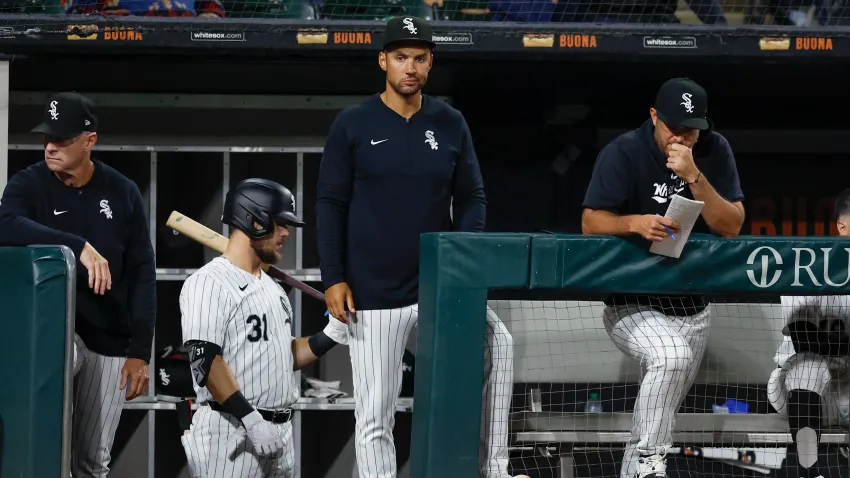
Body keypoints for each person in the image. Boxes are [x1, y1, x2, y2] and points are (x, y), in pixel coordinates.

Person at [316, 16, 518, 478]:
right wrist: (334, 278)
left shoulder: (450, 123)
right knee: (374, 417)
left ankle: (495, 468)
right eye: (402, 57)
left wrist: (464, 266)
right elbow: (330, 204)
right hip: (372, 293)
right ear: (383, 60)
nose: (411, 67)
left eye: (420, 58)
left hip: (437, 287)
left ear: (431, 62)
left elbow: (472, 197)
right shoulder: (353, 123)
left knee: (499, 345)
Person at [581, 77, 746, 478]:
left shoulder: (713, 150)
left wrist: (694, 177)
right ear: (654, 116)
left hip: (692, 308)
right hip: (631, 303)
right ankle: (651, 462)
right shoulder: (624, 152)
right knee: (670, 357)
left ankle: (641, 466)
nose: (682, 138)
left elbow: (732, 226)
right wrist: (633, 222)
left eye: (690, 129)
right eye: (674, 127)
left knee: (657, 413)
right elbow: (589, 221)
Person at [0, 91, 156, 477]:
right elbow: (4, 224)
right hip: (54, 333)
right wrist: (77, 246)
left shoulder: (122, 191)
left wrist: (140, 351)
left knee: (93, 462)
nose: (50, 146)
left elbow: (141, 272)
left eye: (62, 139)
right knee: (43, 453)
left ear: (90, 141)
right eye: (46, 138)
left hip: (108, 337)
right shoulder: (29, 183)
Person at [179, 178, 348, 478]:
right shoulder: (208, 283)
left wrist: (330, 334)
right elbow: (205, 361)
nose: (285, 233)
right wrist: (251, 419)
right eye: (279, 223)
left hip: (279, 434)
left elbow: (283, 357)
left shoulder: (273, 290)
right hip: (231, 433)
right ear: (252, 220)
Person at [767, 189, 850, 478]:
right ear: (843, 225)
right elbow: (806, 340)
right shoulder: (809, 264)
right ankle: (809, 473)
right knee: (808, 365)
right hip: (798, 391)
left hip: (846, 391)